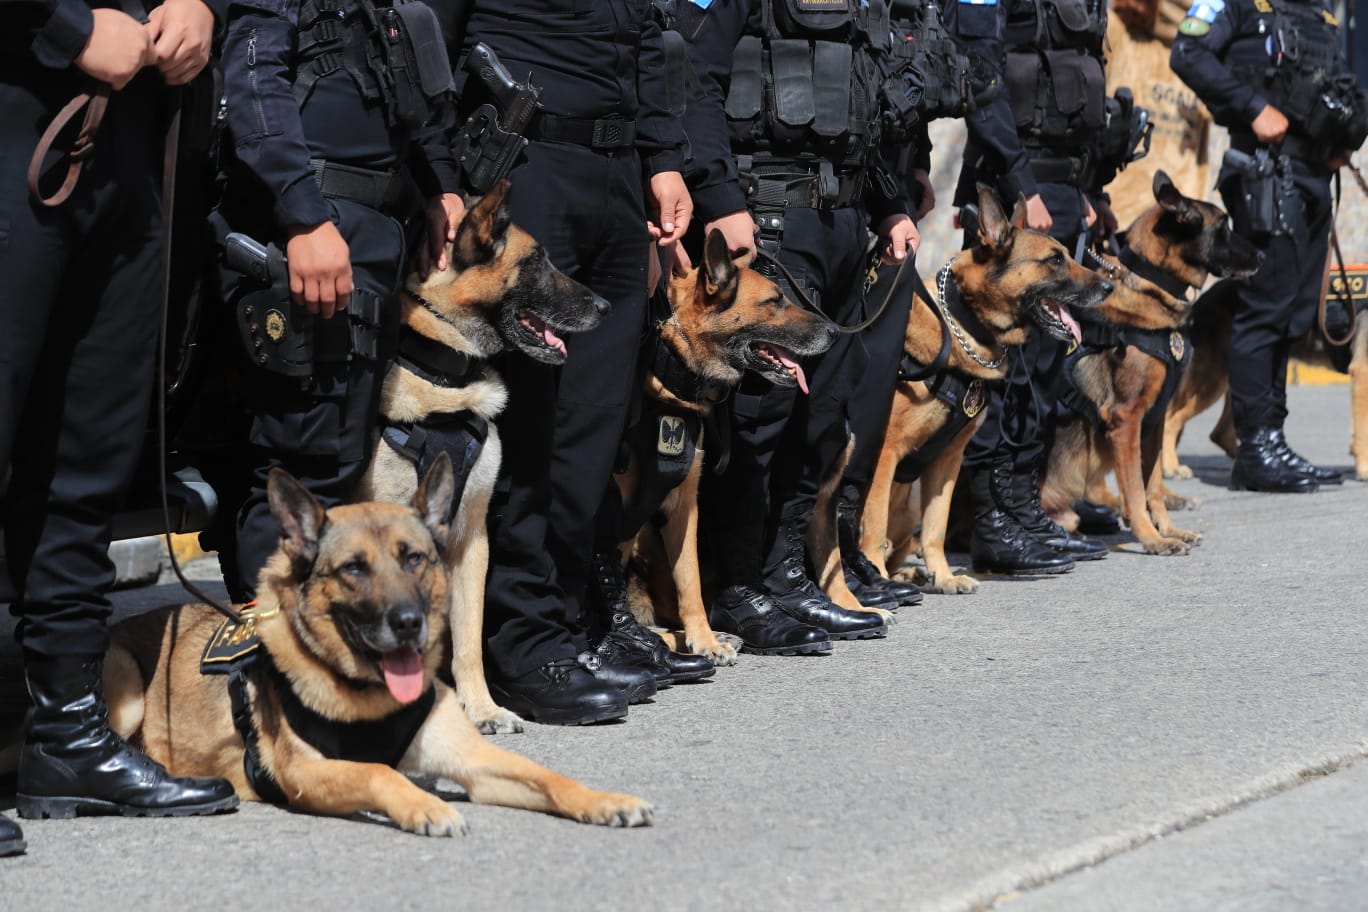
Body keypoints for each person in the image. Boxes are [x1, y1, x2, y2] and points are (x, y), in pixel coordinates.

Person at [0, 0, 239, 848]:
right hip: (18, 97)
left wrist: (201, 9)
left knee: (86, 455)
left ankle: (67, 734)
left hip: (134, 139)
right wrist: (61, 27)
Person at [450, 1, 696, 725]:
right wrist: (445, 181)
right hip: (531, 166)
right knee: (532, 427)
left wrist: (664, 159)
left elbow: (651, 36)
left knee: (592, 425)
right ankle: (523, 647)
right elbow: (439, 36)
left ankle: (568, 624)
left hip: (616, 178)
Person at [674, 0, 920, 655]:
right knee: (760, 419)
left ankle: (786, 577)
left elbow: (866, 114)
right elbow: (694, 80)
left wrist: (890, 206)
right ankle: (738, 585)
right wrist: (721, 199)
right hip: (768, 216)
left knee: (820, 415)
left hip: (842, 220)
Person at [215, 0, 467, 600]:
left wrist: (442, 187)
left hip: (374, 236)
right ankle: (272, 665)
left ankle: (321, 663)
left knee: (340, 458)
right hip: (314, 233)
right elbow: (254, 83)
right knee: (301, 468)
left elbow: (417, 98)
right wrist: (303, 215)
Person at [941, 0, 1112, 574]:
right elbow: (981, 83)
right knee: (1002, 375)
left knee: (1039, 373)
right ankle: (989, 522)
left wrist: (1087, 188)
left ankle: (1020, 507)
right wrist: (1021, 182)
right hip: (1015, 193)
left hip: (1058, 190)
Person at [1172, 0, 1366, 492]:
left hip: (1315, 173)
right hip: (1266, 172)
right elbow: (1188, 53)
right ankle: (1256, 447)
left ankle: (1272, 439)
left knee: (1295, 313)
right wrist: (1252, 107)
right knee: (1266, 309)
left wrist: (1338, 139)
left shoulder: (1318, 11)